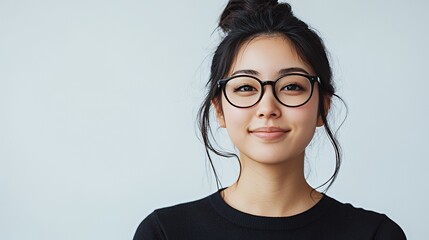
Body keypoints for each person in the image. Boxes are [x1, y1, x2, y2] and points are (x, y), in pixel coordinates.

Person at [133, 0, 406, 239]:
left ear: (323, 106)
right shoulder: (165, 233)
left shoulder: (376, 234)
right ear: (219, 110)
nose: (267, 108)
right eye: (245, 87)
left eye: (291, 86)